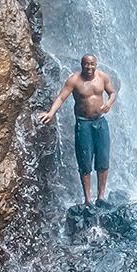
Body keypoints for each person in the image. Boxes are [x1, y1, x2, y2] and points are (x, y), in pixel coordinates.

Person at [37, 53, 118, 206]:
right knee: (84, 161)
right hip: (83, 124)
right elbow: (61, 97)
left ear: (96, 64)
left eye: (92, 64)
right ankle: (87, 199)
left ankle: (101, 196)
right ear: (82, 64)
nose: (89, 67)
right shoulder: (74, 80)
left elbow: (112, 92)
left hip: (100, 122)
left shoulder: (102, 77)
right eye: (86, 64)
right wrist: (51, 113)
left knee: (103, 159)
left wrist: (109, 103)